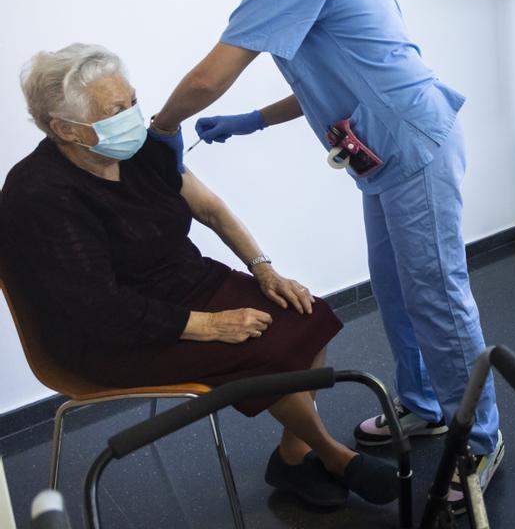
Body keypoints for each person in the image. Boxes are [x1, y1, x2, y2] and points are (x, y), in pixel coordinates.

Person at [147, 0, 501, 505]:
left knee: (438, 295)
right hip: (382, 152)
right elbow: (325, 78)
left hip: (411, 142)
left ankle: (478, 440)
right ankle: (423, 404)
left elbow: (210, 74)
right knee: (397, 290)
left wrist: (162, 125)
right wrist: (252, 120)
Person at [0, 44, 399, 509]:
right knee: (263, 352)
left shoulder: (137, 149)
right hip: (112, 332)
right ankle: (334, 456)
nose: (133, 117)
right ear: (66, 129)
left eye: (132, 102)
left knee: (308, 314)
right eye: (115, 111)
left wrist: (264, 269)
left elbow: (211, 209)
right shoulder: (38, 195)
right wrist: (210, 326)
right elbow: (96, 308)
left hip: (185, 281)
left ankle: (293, 456)